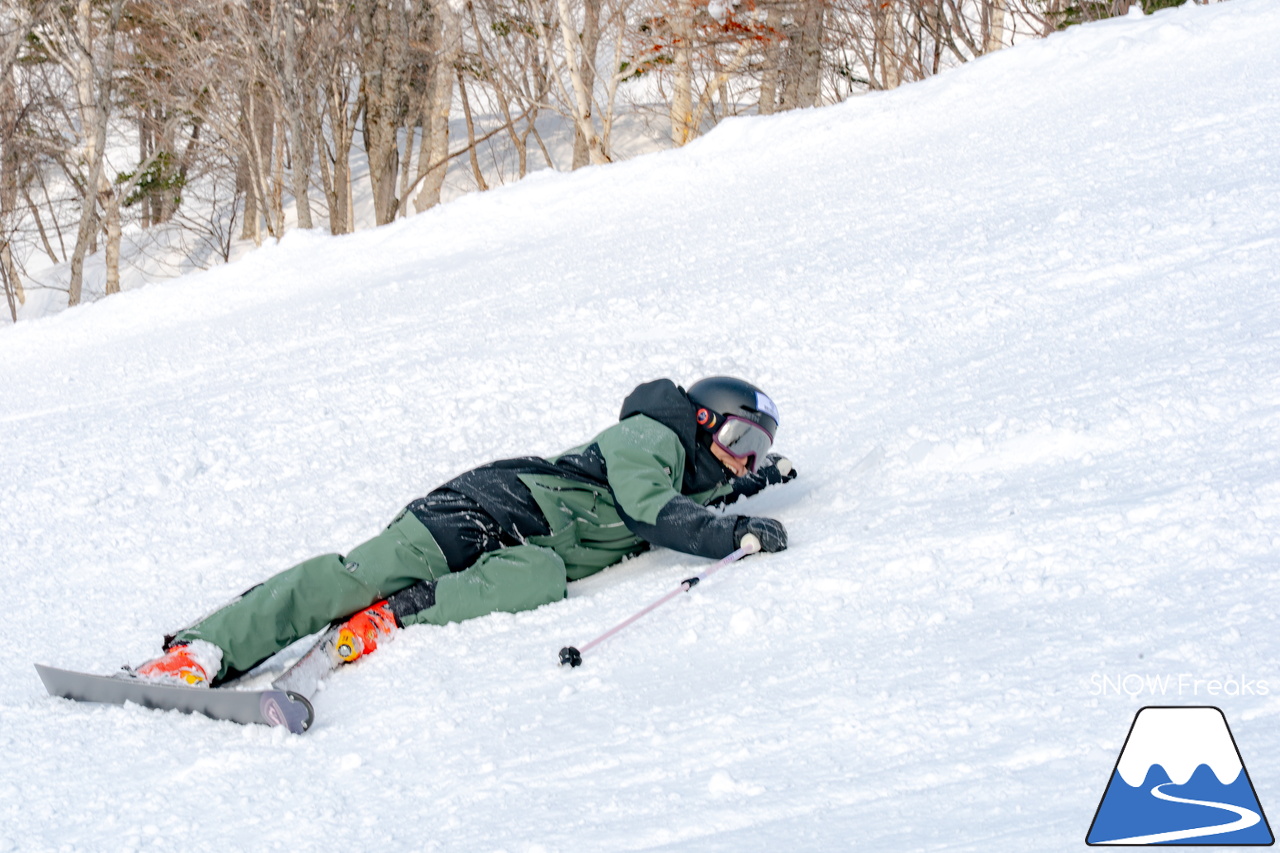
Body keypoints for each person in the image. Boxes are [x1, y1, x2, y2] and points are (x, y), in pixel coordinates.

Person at [134, 377, 798, 687]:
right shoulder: (650, 435)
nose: (746, 456)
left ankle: (395, 615)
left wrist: (753, 483)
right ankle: (199, 651)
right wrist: (732, 528)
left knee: (541, 578)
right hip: (490, 507)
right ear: (704, 421)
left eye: (757, 449)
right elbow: (657, 510)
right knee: (357, 574)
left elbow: (704, 490)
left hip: (529, 547)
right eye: (741, 439)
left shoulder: (695, 469)